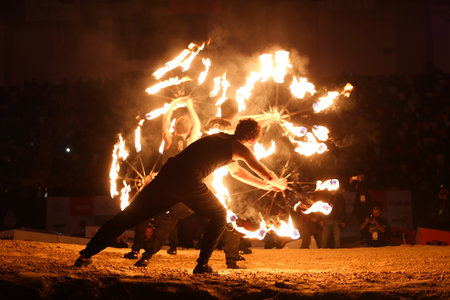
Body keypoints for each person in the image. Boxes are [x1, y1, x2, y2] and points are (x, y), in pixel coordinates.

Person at [74, 118, 287, 274]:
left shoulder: (220, 139)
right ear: (252, 140)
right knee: (220, 215)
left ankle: (85, 255)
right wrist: (275, 181)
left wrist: (265, 186)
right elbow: (263, 170)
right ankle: (202, 265)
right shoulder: (240, 148)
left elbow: (238, 172)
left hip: (168, 176)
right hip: (188, 182)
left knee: (128, 217)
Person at [124, 97, 201, 260]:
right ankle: (150, 251)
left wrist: (172, 105)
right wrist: (190, 107)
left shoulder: (169, 139)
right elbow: (197, 127)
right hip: (182, 189)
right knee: (172, 217)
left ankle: (136, 249)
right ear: (188, 129)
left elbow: (165, 123)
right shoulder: (191, 142)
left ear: (175, 127)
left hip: (164, 186)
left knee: (143, 214)